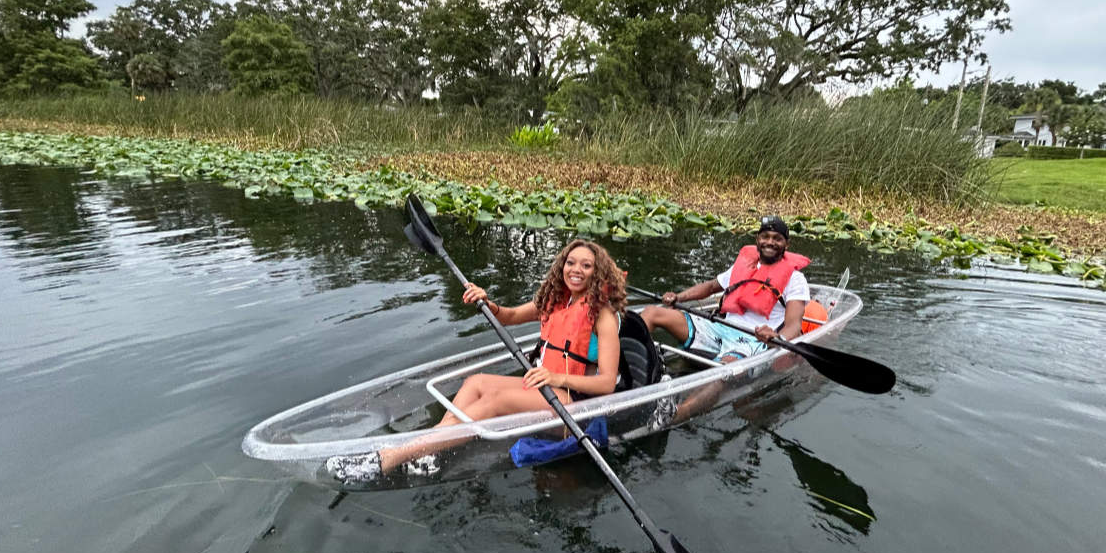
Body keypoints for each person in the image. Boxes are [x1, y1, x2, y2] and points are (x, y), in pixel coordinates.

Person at [327, 239, 628, 482]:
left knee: (493, 402)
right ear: (562, 266)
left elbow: (605, 385)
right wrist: (486, 301)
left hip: (575, 411)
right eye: (571, 263)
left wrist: (556, 378)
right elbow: (508, 316)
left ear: (597, 272)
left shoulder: (602, 315)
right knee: (476, 383)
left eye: (586, 265)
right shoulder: (557, 301)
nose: (576, 270)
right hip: (546, 392)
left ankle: (390, 458)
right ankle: (427, 450)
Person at [638, 216, 816, 430]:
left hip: (751, 340)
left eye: (777, 238)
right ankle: (627, 373)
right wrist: (679, 297)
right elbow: (712, 286)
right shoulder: (744, 266)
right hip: (720, 329)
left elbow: (794, 325)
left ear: (786, 244)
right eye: (765, 236)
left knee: (724, 371)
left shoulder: (795, 279)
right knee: (652, 313)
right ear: (757, 239)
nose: (770, 242)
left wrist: (778, 339)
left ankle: (672, 417)